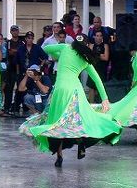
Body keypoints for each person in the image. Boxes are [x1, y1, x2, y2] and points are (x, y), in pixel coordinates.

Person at [19, 34, 121, 167]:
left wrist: (58, 50)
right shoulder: (85, 60)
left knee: (57, 123)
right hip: (74, 92)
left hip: (59, 91)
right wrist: (105, 99)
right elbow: (97, 79)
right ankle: (81, 143)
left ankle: (59, 156)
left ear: (74, 43)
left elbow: (47, 48)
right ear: (86, 46)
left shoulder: (65, 48)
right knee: (78, 121)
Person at [15, 31, 48, 115]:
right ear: (25, 39)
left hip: (35, 72)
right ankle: (16, 108)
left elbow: (44, 57)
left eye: (32, 38)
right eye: (28, 38)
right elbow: (17, 61)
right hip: (23, 72)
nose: (30, 40)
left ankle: (28, 109)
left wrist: (40, 67)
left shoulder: (37, 47)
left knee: (33, 89)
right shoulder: (21, 48)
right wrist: (19, 73)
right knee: (20, 91)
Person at [4, 25, 23, 114]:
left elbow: (20, 52)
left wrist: (14, 51)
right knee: (9, 89)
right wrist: (15, 51)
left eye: (16, 30)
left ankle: (16, 106)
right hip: (10, 68)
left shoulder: (22, 42)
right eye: (13, 30)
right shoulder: (8, 42)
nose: (15, 32)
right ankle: (7, 107)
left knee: (20, 88)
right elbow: (9, 52)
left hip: (19, 68)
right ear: (11, 32)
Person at [87, 30, 110, 103]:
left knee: (101, 86)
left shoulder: (105, 45)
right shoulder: (91, 45)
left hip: (102, 69)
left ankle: (102, 104)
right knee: (91, 87)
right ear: (94, 37)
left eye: (100, 36)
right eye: (97, 36)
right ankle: (91, 105)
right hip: (93, 68)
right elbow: (89, 57)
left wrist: (95, 54)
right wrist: (100, 55)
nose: (99, 37)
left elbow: (106, 57)